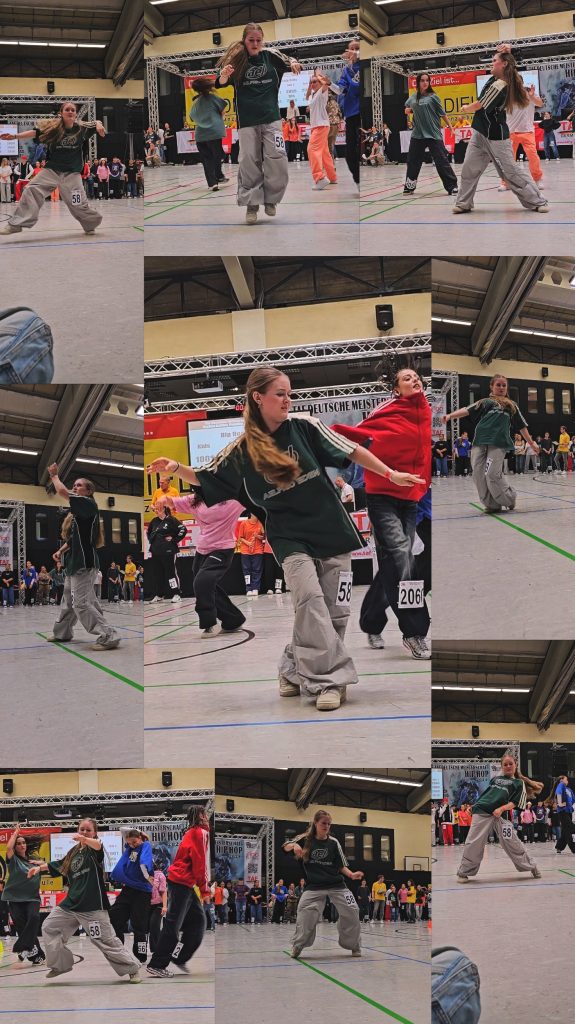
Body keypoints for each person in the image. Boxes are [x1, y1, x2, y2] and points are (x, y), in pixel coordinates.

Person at [147, 367, 424, 711]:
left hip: (332, 530)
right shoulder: (242, 449)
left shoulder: (305, 426)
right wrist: (175, 468)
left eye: (289, 394)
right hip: (288, 537)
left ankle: (291, 667)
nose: (287, 400)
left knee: (336, 611)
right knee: (309, 600)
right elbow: (206, 477)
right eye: (280, 394)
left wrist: (390, 473)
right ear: (258, 398)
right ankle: (330, 681)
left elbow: (352, 450)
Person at [332, 367, 431, 658]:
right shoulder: (388, 410)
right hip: (383, 497)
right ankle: (414, 632)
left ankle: (372, 620)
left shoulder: (424, 410)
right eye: (407, 378)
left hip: (412, 497)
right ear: (396, 389)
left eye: (416, 376)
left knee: (399, 563)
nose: (414, 380)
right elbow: (360, 436)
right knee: (401, 559)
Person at [28, 818, 141, 981]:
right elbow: (59, 864)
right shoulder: (73, 852)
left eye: (88, 830)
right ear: (77, 829)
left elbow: (98, 846)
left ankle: (132, 968)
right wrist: (39, 868)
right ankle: (60, 965)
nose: (84, 832)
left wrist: (84, 839)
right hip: (70, 904)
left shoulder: (95, 847)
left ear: (94, 833)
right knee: (49, 927)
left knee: (104, 940)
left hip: (92, 905)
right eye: (82, 829)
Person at [216, 23, 302, 224]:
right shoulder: (237, 61)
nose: (255, 44)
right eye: (251, 40)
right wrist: (224, 75)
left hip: (272, 118)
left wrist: (294, 62)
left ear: (262, 41)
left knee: (277, 158)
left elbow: (289, 60)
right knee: (249, 161)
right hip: (247, 121)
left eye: (258, 40)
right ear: (244, 40)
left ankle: (271, 199)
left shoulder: (270, 56)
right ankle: (252, 204)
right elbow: (219, 83)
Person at [453, 46, 548, 214]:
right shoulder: (495, 78)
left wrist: (466, 108)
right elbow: (509, 66)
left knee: (510, 172)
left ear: (503, 64)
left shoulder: (502, 85)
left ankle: (538, 201)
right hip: (479, 133)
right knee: (469, 168)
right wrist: (508, 53)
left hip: (496, 136)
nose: (491, 62)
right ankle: (463, 203)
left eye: (494, 60)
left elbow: (481, 104)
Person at [0, 102, 105, 235]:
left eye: (73, 110)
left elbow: (95, 123)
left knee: (78, 203)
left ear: (75, 114)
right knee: (31, 190)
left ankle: (90, 224)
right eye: (67, 109)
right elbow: (34, 133)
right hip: (52, 171)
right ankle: (16, 224)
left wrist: (99, 124)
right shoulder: (54, 129)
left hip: (72, 174)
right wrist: (15, 136)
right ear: (61, 113)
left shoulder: (81, 128)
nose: (70, 111)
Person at [45, 466, 120, 650]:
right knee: (68, 601)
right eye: (74, 485)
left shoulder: (88, 504)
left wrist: (54, 476)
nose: (75, 487)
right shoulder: (79, 513)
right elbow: (73, 539)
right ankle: (62, 633)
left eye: (79, 485)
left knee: (81, 603)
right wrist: (61, 551)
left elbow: (62, 491)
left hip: (84, 564)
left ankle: (109, 636)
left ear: (88, 491)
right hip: (73, 564)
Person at [443, 374, 540, 513]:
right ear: (492, 387)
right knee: (478, 475)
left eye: (504, 385)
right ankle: (492, 505)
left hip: (498, 443)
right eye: (498, 385)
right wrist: (450, 416)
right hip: (479, 442)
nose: (501, 388)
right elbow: (467, 410)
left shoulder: (511, 405)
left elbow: (522, 426)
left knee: (492, 474)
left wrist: (531, 443)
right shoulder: (485, 402)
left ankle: (509, 499)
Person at [157, 491, 246, 634]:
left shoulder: (233, 500)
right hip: (202, 550)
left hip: (222, 548)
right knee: (206, 586)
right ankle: (233, 620)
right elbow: (172, 501)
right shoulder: (195, 499)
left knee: (202, 582)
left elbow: (255, 497)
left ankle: (209, 622)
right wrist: (163, 499)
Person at [283, 809, 363, 958]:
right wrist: (293, 845)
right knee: (304, 913)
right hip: (314, 886)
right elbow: (285, 846)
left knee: (352, 910)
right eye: (323, 823)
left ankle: (354, 945)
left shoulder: (333, 842)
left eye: (329, 824)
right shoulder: (305, 839)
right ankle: (298, 945)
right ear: (315, 823)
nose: (326, 826)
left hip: (337, 885)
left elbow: (340, 865)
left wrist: (351, 875)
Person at [146, 805, 210, 978]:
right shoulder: (200, 833)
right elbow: (201, 863)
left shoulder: (192, 832)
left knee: (198, 922)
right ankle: (157, 964)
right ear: (201, 816)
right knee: (173, 925)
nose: (207, 817)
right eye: (205, 814)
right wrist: (205, 889)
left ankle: (179, 956)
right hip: (182, 882)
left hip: (184, 883)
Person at [457, 753, 543, 882]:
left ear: (515, 765)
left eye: (510, 764)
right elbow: (486, 795)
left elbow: (515, 803)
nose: (508, 766)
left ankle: (532, 866)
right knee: (474, 843)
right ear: (502, 766)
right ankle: (464, 872)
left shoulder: (518, 783)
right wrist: (474, 806)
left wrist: (501, 809)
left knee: (513, 842)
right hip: (482, 812)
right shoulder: (495, 779)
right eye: (505, 764)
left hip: (500, 816)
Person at [403, 72, 458, 196]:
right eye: (422, 80)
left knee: (441, 161)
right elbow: (407, 108)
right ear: (418, 82)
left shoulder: (433, 97)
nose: (425, 83)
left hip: (433, 134)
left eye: (427, 80)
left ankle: (452, 186)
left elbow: (442, 114)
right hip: (417, 134)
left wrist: (450, 127)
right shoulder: (413, 97)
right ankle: (409, 187)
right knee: (413, 161)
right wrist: (409, 110)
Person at [1, 824, 46, 964]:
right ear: (15, 847)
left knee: (33, 918)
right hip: (15, 898)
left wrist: (41, 863)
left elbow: (51, 867)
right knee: (22, 926)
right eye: (19, 843)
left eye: (23, 843)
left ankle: (23, 947)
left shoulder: (34, 860)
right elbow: (8, 848)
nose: (22, 845)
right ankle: (36, 955)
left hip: (32, 898)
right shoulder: (13, 860)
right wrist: (15, 833)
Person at [109, 830, 154, 964]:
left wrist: (147, 877)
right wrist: (132, 841)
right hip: (128, 889)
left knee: (139, 926)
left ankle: (141, 955)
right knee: (114, 918)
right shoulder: (130, 849)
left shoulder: (145, 845)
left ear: (140, 838)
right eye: (129, 843)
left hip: (142, 892)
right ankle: (119, 951)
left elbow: (144, 862)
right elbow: (124, 830)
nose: (132, 845)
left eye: (134, 842)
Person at [498, 83, 543, 192]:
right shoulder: (508, 96)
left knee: (533, 156)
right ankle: (505, 182)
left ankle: (537, 179)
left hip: (527, 131)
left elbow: (540, 103)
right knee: (508, 159)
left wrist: (532, 96)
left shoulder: (530, 94)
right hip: (511, 132)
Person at [190, 77, 229, 191]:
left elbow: (192, 117)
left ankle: (212, 183)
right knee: (218, 155)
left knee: (207, 159)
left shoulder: (196, 103)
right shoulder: (213, 98)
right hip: (213, 133)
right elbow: (223, 110)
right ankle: (219, 176)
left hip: (200, 135)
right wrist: (219, 119)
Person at [147, 502, 187, 604]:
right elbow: (149, 533)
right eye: (155, 509)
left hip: (168, 551)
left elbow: (183, 529)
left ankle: (176, 594)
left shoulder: (171, 520)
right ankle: (159, 595)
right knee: (158, 574)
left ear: (164, 509)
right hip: (156, 552)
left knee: (170, 573)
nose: (156, 511)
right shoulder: (154, 521)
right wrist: (153, 542)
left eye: (158, 509)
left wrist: (174, 539)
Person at [306, 71, 339, 190]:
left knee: (311, 149)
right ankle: (332, 177)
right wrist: (309, 85)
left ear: (320, 83)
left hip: (321, 126)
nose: (312, 84)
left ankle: (319, 178)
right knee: (325, 154)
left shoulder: (322, 92)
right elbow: (307, 96)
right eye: (311, 82)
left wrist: (320, 77)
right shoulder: (313, 95)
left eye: (315, 82)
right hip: (318, 126)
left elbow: (325, 84)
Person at [337, 40, 360, 191]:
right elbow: (341, 90)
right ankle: (357, 180)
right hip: (351, 114)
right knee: (349, 153)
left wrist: (357, 54)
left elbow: (357, 87)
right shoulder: (346, 70)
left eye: (356, 48)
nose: (353, 51)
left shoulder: (363, 66)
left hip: (361, 112)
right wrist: (329, 84)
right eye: (351, 48)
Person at [235, 512, 266, 596]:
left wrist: (257, 536)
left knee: (257, 569)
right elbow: (240, 538)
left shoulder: (260, 523)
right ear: (251, 514)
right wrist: (248, 543)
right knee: (246, 570)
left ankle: (255, 588)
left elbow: (264, 537)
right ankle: (248, 588)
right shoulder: (244, 523)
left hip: (258, 550)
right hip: (246, 550)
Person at [549, 775, 575, 854]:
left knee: (565, 831)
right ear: (561, 780)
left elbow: (573, 799)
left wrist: (570, 805)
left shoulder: (569, 789)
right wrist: (560, 803)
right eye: (566, 779)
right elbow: (558, 793)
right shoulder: (561, 785)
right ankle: (573, 848)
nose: (567, 781)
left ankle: (559, 847)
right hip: (563, 811)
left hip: (569, 811)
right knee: (571, 828)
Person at [148, 860, 168, 952]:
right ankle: (153, 949)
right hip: (146, 905)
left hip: (158, 905)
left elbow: (163, 892)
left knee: (154, 926)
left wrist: (165, 906)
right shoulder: (143, 875)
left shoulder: (160, 875)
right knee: (148, 927)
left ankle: (157, 949)